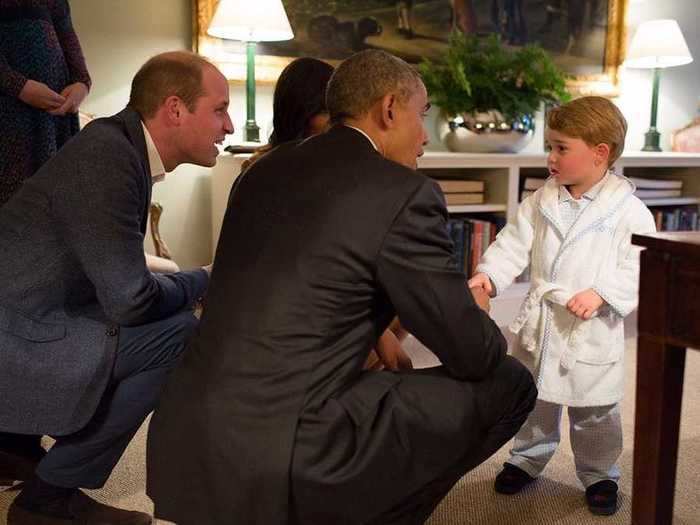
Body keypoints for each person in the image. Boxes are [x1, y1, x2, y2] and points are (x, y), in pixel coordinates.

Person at [147, 49, 537, 525]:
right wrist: (476, 311)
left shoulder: (260, 171)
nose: (424, 138)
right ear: (390, 109)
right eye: (423, 116)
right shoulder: (404, 194)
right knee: (511, 381)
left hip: (185, 438)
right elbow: (472, 353)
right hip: (285, 453)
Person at [0, 50, 233, 524]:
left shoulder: (117, 147)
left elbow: (116, 276)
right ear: (174, 109)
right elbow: (131, 301)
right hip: (19, 332)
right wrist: (205, 279)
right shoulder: (109, 157)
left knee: (169, 319)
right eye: (219, 109)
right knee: (177, 335)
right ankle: (48, 500)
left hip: (29, 314)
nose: (228, 126)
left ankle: (18, 448)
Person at [469, 96, 656, 516]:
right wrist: (489, 276)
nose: (550, 157)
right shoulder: (541, 201)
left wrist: (603, 292)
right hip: (543, 321)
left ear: (600, 153)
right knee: (535, 398)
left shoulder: (629, 212)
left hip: (590, 327)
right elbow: (512, 243)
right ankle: (526, 458)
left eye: (560, 148)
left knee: (595, 410)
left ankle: (601, 473)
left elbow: (639, 262)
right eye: (549, 146)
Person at [243, 56, 411, 372]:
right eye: (329, 114)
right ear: (303, 115)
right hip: (286, 310)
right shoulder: (273, 171)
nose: (340, 125)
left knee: (399, 295)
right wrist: (374, 331)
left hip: (320, 297)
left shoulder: (338, 166)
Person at [0, 0, 90, 206]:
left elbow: (69, 42)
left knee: (57, 206)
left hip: (57, 119)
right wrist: (20, 87)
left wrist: (81, 85)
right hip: (10, 117)